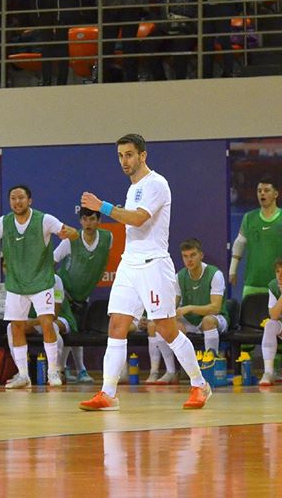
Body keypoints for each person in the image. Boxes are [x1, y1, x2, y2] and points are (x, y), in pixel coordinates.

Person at [79, 133, 212, 411]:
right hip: (130, 264)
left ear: (143, 155)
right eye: (120, 156)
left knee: (166, 328)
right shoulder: (133, 188)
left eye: (129, 154)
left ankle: (200, 385)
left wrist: (102, 206)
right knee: (116, 326)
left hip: (153, 265)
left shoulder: (156, 183)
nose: (124, 161)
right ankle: (108, 393)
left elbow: (139, 219)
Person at [0, 185, 77, 388]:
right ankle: (23, 375)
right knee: (16, 326)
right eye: (13, 198)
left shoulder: (44, 220)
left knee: (47, 324)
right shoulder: (4, 222)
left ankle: (53, 371)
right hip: (16, 284)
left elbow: (68, 233)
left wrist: (70, 233)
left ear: (30, 200)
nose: (17, 201)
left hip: (41, 282)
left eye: (21, 198)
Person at [53, 206, 112, 383]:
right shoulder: (70, 240)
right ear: (80, 221)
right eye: (85, 219)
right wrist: (55, 291)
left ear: (99, 221)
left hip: (83, 295)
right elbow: (51, 261)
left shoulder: (108, 239)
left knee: (76, 333)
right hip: (64, 294)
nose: (88, 223)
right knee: (70, 333)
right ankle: (71, 370)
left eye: (92, 219)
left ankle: (74, 369)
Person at [173, 238, 228, 356]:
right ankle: (178, 369)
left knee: (208, 321)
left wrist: (190, 308)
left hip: (216, 318)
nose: (189, 260)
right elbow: (173, 305)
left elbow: (215, 308)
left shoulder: (215, 274)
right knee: (171, 325)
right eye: (185, 256)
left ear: (201, 255)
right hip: (190, 320)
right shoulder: (179, 276)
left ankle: (211, 363)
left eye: (193, 255)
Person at [230, 177, 282, 299]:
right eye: (259, 191)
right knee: (249, 317)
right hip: (252, 283)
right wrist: (233, 270)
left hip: (278, 284)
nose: (262, 193)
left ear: (276, 194)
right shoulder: (249, 218)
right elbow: (239, 244)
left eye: (266, 190)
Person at [259, 259, 282, 385]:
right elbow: (273, 315)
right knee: (270, 325)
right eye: (278, 271)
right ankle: (268, 372)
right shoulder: (273, 286)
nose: (280, 275)